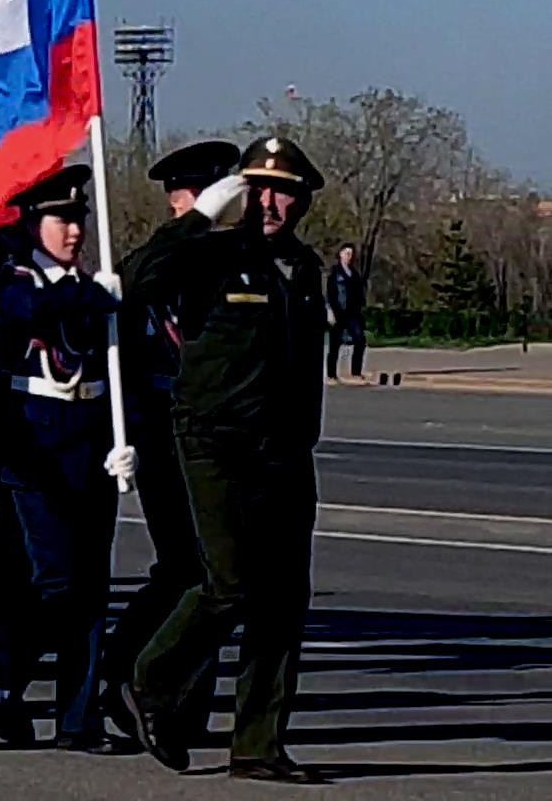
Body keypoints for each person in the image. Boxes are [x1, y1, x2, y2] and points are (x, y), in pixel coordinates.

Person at [120, 136, 330, 784]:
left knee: (282, 599)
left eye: (284, 191)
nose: (270, 202)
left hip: (284, 451)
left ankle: (258, 744)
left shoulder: (303, 266)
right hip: (213, 441)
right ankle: (150, 678)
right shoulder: (210, 255)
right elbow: (135, 280)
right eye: (257, 188)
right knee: (228, 581)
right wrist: (200, 216)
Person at [0, 166, 138, 754]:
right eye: (61, 220)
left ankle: (77, 717)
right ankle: (6, 677)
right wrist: (97, 292)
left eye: (79, 220)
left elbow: (120, 371)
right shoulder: (17, 277)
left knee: (91, 587)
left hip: (90, 443)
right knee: (54, 580)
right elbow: (25, 312)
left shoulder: (95, 288)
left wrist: (127, 438)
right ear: (33, 223)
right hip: (33, 450)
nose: (73, 231)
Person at [101, 139, 238, 741]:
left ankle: (179, 702)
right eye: (194, 195)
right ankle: (128, 671)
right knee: (188, 565)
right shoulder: (156, 263)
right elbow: (138, 281)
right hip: (160, 433)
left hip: (220, 436)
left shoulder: (233, 263)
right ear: (176, 199)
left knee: (209, 570)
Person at [327, 243, 367, 380]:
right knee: (335, 344)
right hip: (338, 311)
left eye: (351, 254)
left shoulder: (354, 273)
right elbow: (329, 292)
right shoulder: (334, 272)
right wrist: (330, 310)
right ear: (340, 254)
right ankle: (331, 374)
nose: (349, 256)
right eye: (346, 253)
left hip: (352, 313)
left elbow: (359, 292)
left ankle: (356, 372)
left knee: (360, 340)